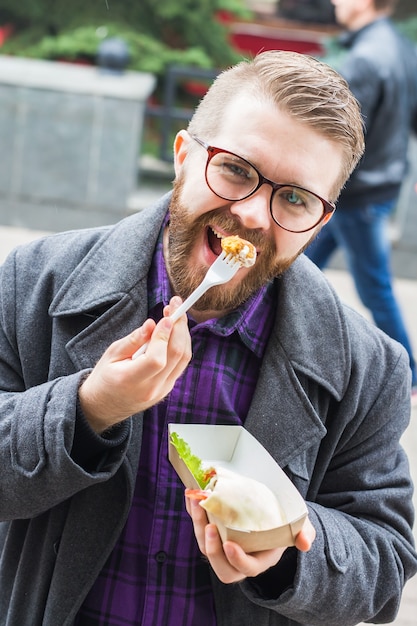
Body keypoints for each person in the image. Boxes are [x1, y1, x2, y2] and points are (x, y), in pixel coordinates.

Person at [0, 50, 415, 626]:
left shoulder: (368, 368)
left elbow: (385, 563)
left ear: (319, 225)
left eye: (295, 199)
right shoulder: (30, 284)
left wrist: (288, 548)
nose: (250, 214)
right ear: (183, 157)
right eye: (236, 170)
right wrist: (90, 409)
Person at [305, 0, 417, 395]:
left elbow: (340, 137)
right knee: (296, 265)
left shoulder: (367, 59)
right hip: (374, 186)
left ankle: (411, 376)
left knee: (374, 286)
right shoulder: (399, 46)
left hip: (359, 195)